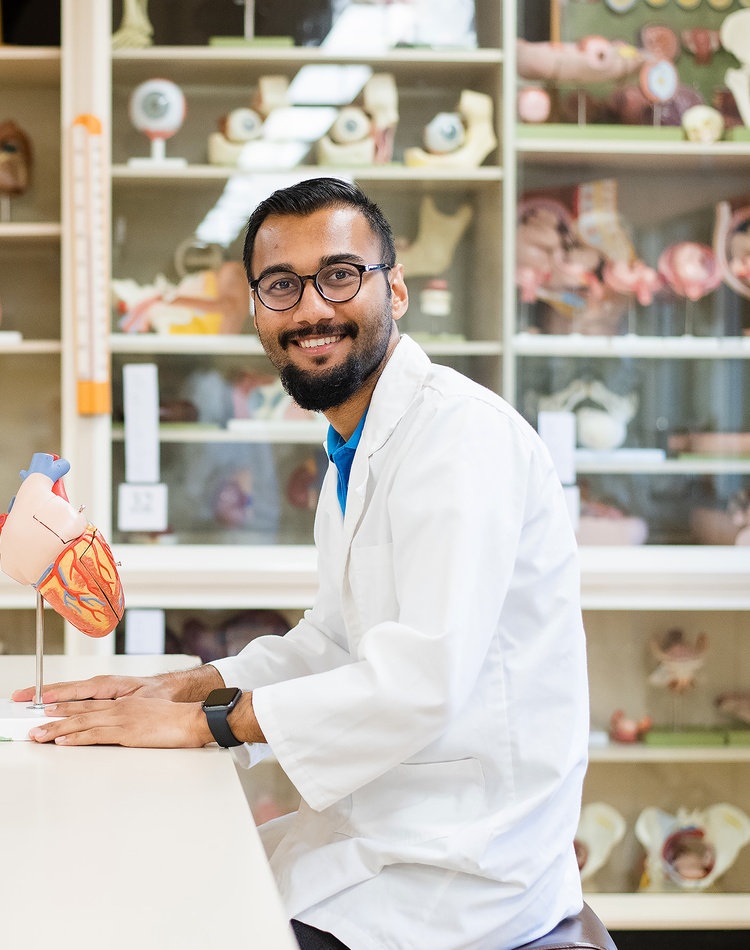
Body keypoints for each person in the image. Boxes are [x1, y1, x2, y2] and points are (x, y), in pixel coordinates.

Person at [14, 178, 589, 950]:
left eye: (341, 274)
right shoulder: (359, 440)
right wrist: (180, 685)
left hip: (465, 865)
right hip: (391, 827)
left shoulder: (459, 440)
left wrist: (205, 725)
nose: (313, 308)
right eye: (282, 286)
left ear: (398, 289)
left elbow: (418, 682)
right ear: (256, 310)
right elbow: (332, 639)